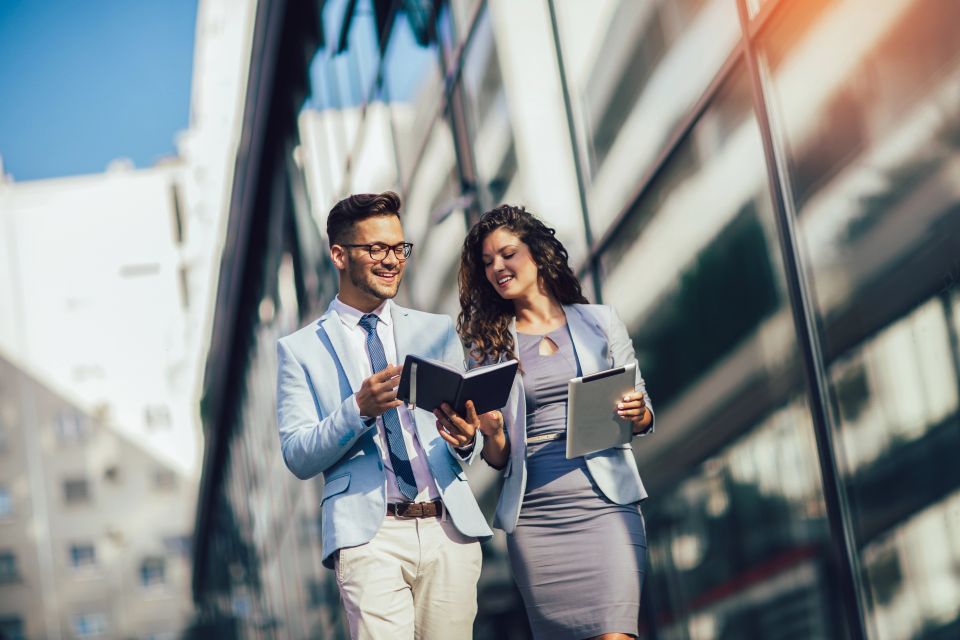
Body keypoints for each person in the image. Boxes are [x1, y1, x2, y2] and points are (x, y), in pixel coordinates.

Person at [275, 191, 492, 640]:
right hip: (369, 535)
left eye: (398, 248)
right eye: (376, 248)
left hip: (447, 525)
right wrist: (358, 410)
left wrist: (468, 439)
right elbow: (297, 453)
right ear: (340, 255)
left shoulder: (434, 330)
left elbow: (465, 433)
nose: (392, 260)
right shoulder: (299, 350)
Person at [435, 204, 654, 640]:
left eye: (508, 254)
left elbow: (644, 413)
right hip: (536, 516)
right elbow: (497, 459)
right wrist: (493, 433)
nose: (497, 266)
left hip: (605, 504)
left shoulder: (599, 322)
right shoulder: (488, 347)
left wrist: (638, 412)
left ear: (537, 254)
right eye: (487, 262)